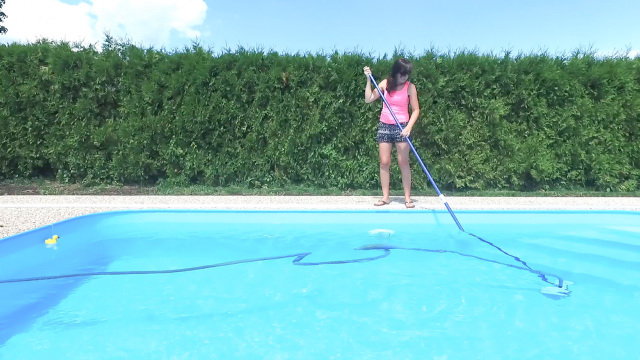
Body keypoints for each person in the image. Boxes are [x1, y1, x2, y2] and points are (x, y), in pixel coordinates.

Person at [363, 58, 420, 208]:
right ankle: (385, 197)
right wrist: (369, 80)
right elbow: (368, 99)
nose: (405, 77)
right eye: (402, 74)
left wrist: (409, 127)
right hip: (385, 125)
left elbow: (416, 110)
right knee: (384, 162)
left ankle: (407, 198)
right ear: (396, 72)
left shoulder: (410, 87)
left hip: (402, 127)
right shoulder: (385, 84)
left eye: (407, 74)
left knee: (403, 162)